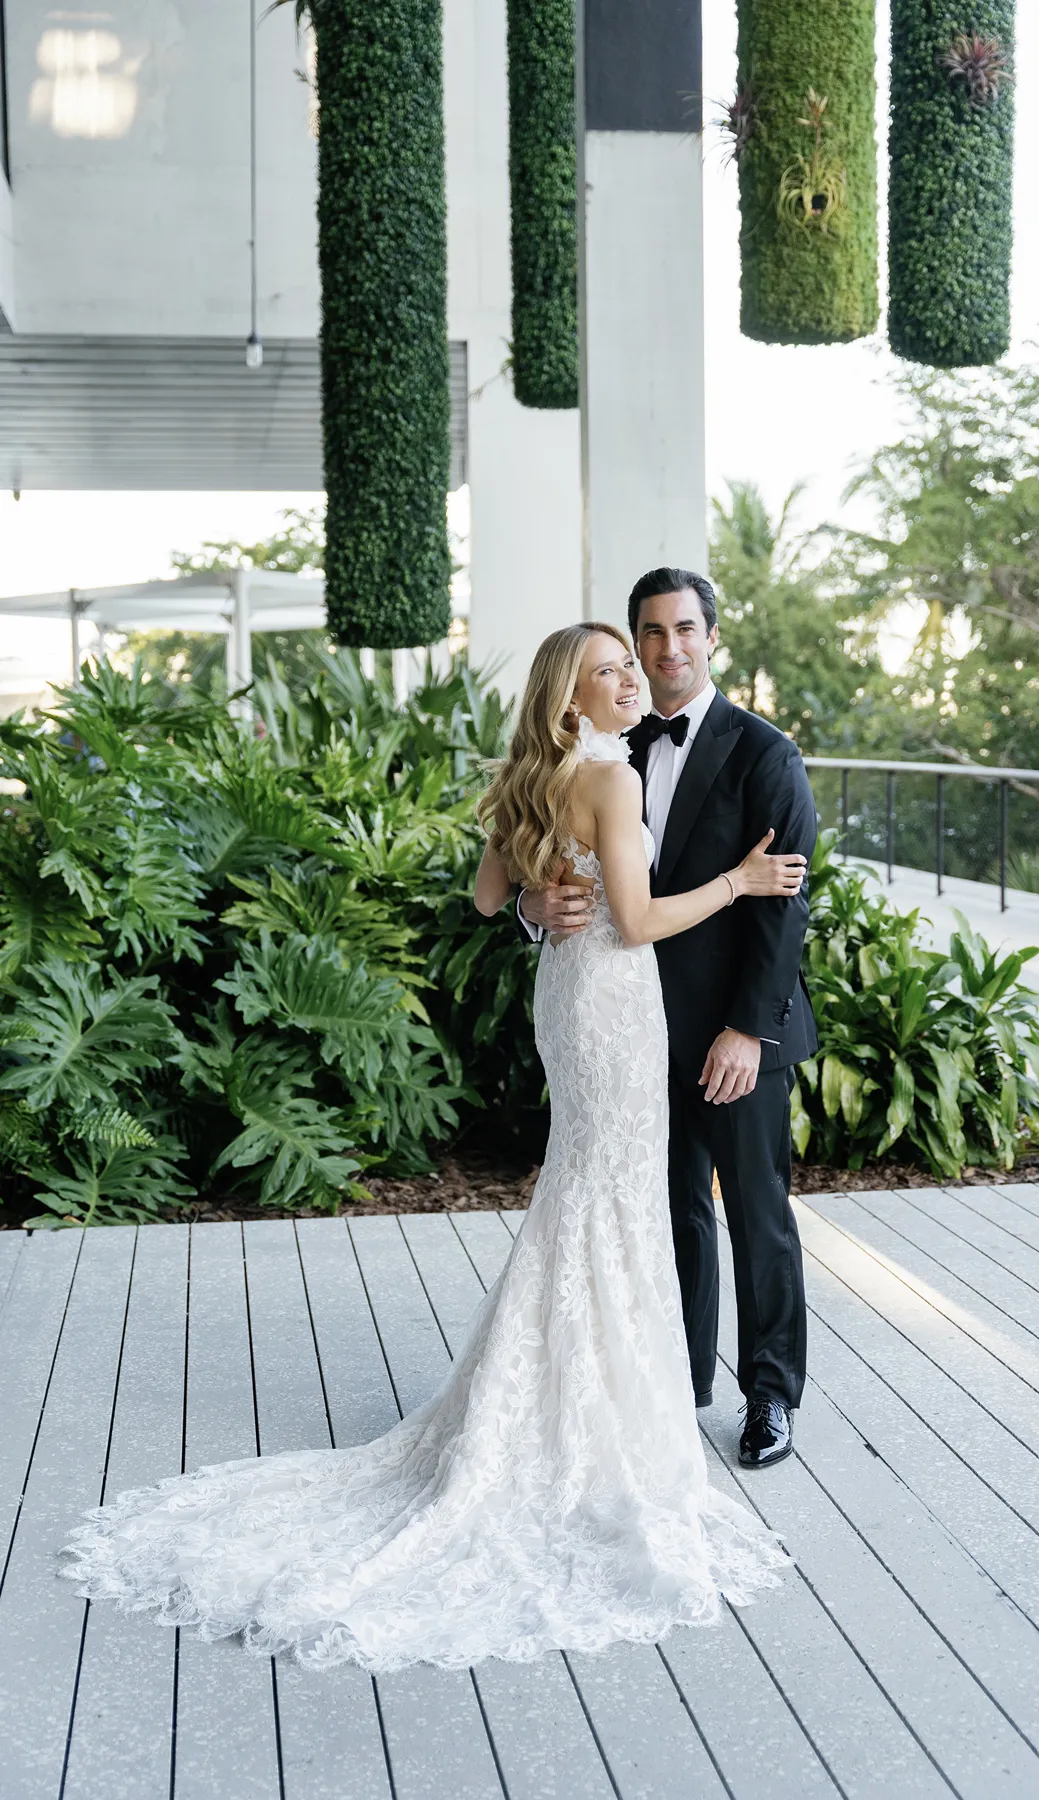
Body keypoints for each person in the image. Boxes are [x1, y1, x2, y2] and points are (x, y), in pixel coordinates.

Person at [59, 619, 804, 1672]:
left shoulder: (534, 775)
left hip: (569, 1002)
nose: (634, 676)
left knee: (591, 1195)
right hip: (616, 1004)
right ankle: (600, 1413)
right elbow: (634, 923)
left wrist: (546, 901)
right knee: (613, 1197)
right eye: (612, 668)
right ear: (570, 697)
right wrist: (737, 883)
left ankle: (586, 1391)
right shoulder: (610, 779)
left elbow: (489, 895)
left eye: (633, 664)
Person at [518, 569, 817, 1470]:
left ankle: (769, 1397)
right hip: (636, 1030)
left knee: (757, 1214)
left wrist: (748, 1031)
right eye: (650, 634)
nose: (666, 649)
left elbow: (783, 907)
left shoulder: (767, 753)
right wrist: (538, 907)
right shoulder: (611, 744)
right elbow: (546, 859)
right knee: (673, 1212)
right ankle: (676, 1387)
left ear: (712, 638)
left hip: (733, 1033)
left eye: (684, 629)